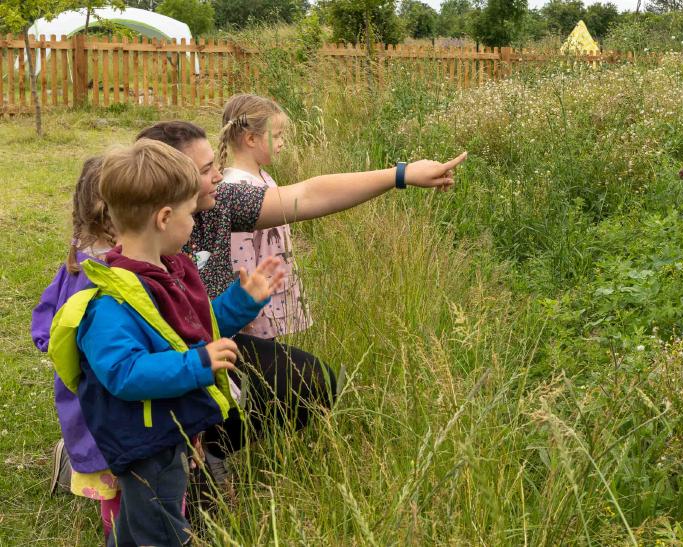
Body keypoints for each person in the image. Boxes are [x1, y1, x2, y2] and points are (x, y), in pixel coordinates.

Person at [134, 120, 466, 476]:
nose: (218, 175)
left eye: (214, 163)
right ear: (168, 182)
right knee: (187, 518)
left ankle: (214, 451)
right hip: (157, 371)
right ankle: (105, 461)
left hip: (211, 342)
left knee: (315, 381)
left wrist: (400, 175)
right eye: (205, 169)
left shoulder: (218, 204)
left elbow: (305, 196)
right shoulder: (135, 241)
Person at [47, 140, 285, 546]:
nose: (194, 224)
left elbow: (192, 325)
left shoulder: (165, 270)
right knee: (162, 531)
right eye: (190, 214)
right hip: (144, 443)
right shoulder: (111, 302)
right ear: (164, 218)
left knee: (137, 529)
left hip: (165, 430)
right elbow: (125, 373)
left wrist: (241, 304)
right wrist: (198, 364)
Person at [31, 157, 123, 540]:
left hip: (96, 393)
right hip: (102, 395)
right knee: (116, 483)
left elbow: (43, 323)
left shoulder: (82, 257)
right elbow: (49, 327)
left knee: (118, 477)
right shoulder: (98, 269)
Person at [218, 94, 311, 340]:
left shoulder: (264, 177)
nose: (282, 142)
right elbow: (240, 256)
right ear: (250, 138)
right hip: (256, 302)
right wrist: (246, 306)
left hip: (271, 289)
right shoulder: (236, 188)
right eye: (277, 135)